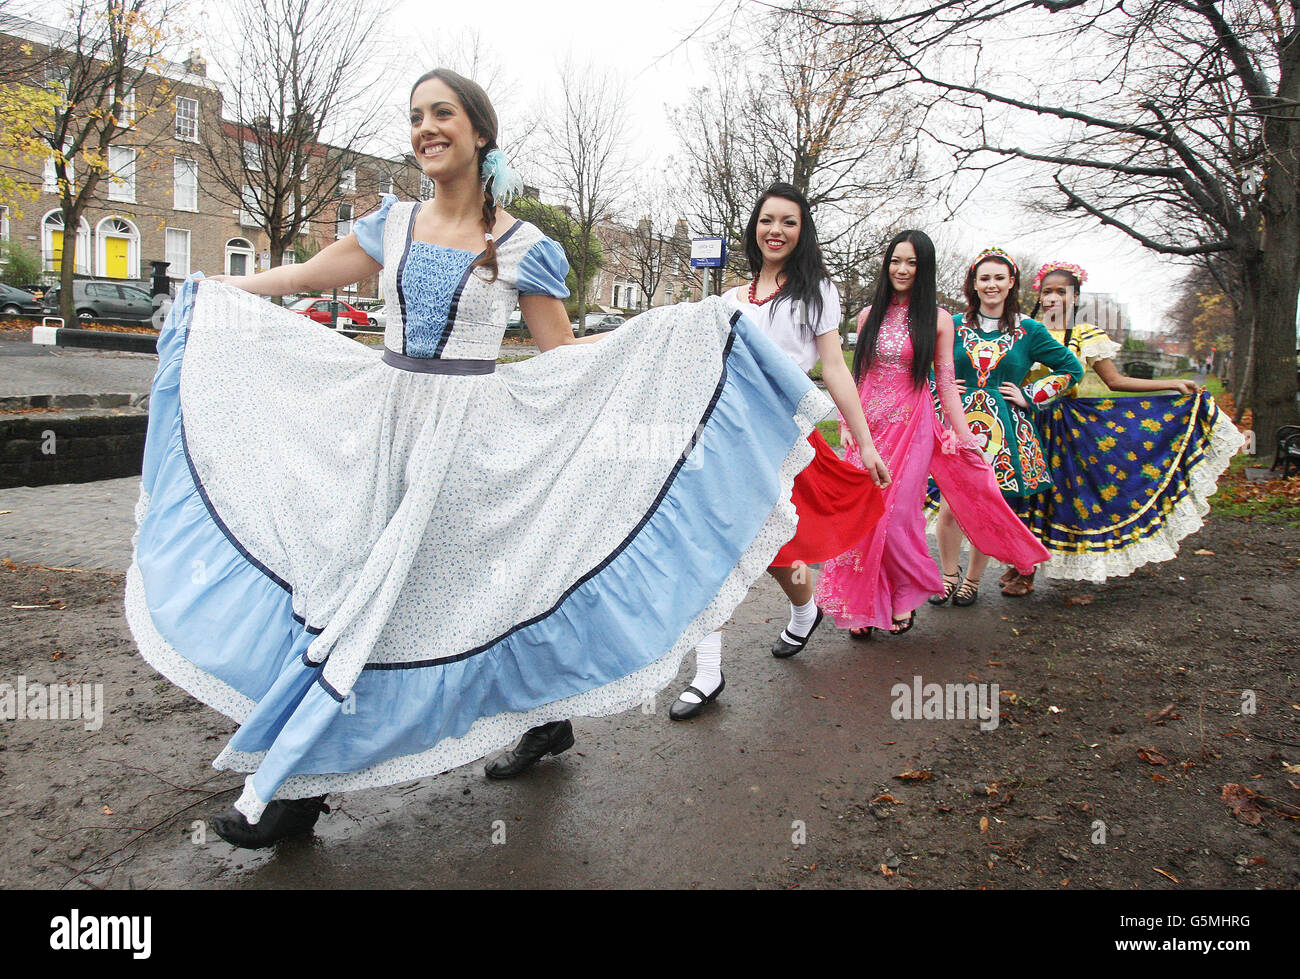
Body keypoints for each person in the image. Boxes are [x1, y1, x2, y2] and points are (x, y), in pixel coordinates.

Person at [125, 70, 838, 846]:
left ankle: (297, 788)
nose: (425, 128)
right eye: (415, 117)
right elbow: (300, 276)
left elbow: (560, 350)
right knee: (355, 598)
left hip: (469, 447)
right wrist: (218, 288)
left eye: (442, 114)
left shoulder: (524, 245)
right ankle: (320, 778)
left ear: (479, 132)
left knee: (445, 600)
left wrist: (661, 339)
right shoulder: (390, 224)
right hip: (383, 434)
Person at [669, 182, 888, 720]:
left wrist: (863, 440)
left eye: (789, 222)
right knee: (714, 544)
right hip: (726, 437)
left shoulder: (818, 293)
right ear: (754, 227)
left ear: (802, 231)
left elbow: (833, 368)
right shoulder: (728, 300)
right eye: (768, 220)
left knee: (772, 549)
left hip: (782, 439)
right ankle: (709, 672)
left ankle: (804, 610)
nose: (776, 231)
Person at [815, 232, 1050, 636]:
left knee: (899, 516)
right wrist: (846, 425)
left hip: (913, 427)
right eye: (895, 261)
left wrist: (964, 436)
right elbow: (856, 375)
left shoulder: (939, 320)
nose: (901, 270)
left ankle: (901, 600)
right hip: (868, 426)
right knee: (865, 519)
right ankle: (865, 605)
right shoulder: (868, 314)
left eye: (911, 263)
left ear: (924, 270)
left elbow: (944, 382)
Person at [999, 261, 1244, 589]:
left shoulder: (1084, 335)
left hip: (1065, 428)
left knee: (1053, 497)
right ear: (1038, 295)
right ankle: (1018, 562)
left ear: (1075, 298)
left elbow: (1115, 381)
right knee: (1016, 495)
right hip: (1022, 422)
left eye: (1061, 292)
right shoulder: (1022, 329)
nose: (1053, 298)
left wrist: (1170, 384)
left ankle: (1027, 572)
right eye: (1047, 291)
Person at [929, 248, 1083, 606]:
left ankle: (972, 580)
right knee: (952, 505)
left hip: (1004, 431)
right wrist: (941, 386)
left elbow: (1071, 368)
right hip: (958, 425)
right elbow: (919, 362)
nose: (992, 285)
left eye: (999, 278)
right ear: (974, 283)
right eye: (985, 278)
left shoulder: (1029, 331)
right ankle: (948, 576)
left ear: (1011, 283)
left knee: (986, 506)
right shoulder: (950, 324)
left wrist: (1031, 394)